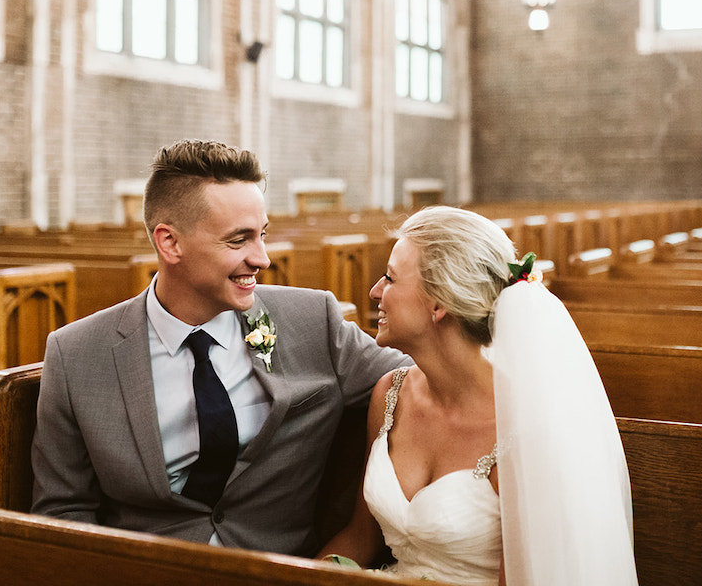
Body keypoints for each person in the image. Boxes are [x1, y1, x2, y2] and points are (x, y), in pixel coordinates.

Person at [31, 139, 408, 556]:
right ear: (169, 243)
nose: (262, 258)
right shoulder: (77, 354)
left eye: (262, 235)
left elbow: (428, 382)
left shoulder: (312, 320)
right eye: (238, 240)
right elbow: (63, 510)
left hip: (283, 571)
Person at [319, 206, 638, 585]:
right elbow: (359, 539)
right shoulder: (391, 395)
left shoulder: (530, 430)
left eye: (390, 278)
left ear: (439, 303)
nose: (375, 291)